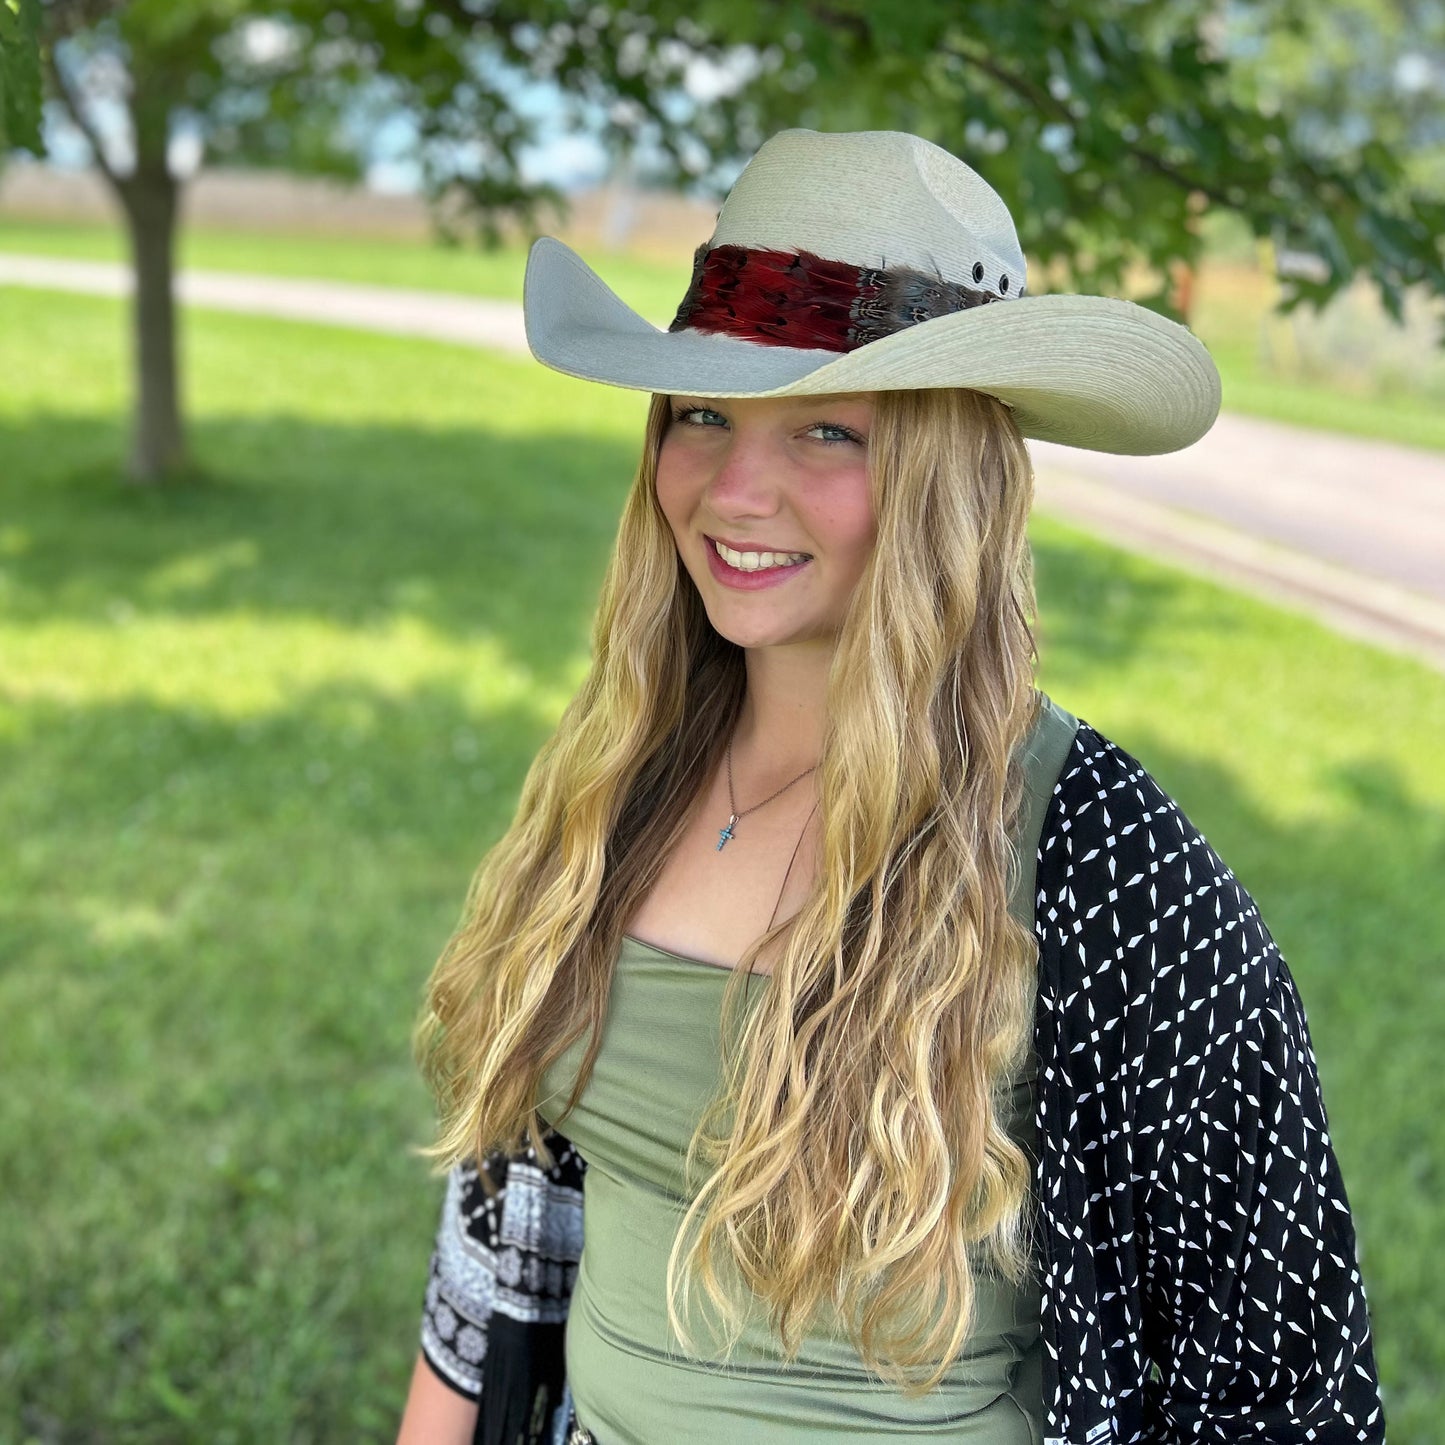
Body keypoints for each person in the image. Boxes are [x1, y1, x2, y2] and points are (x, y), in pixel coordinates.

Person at [396, 129, 1384, 1445]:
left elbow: (1278, 1386)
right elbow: (505, 1209)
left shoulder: (1098, 861)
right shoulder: (621, 772)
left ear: (945, 479)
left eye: (824, 428)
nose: (735, 492)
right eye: (702, 413)